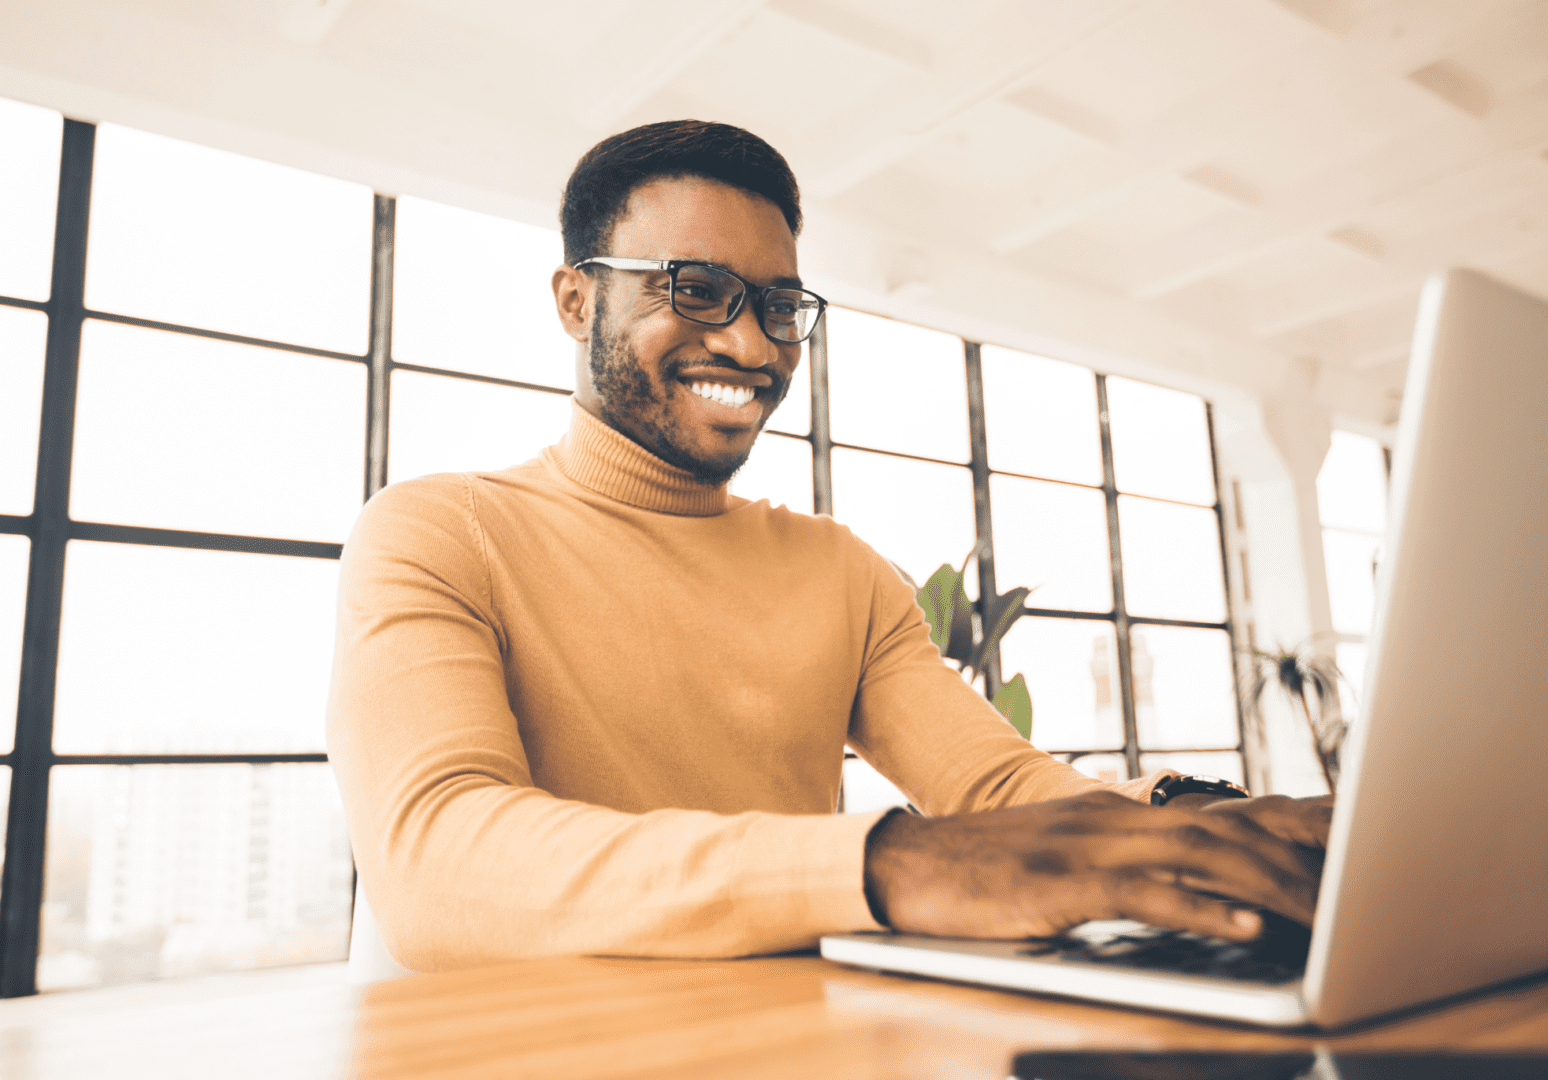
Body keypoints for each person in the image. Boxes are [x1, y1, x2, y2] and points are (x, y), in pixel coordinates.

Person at [326, 120, 1331, 972]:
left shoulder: (837, 572)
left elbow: (997, 790)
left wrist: (1201, 819)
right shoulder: (439, 531)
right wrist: (887, 865)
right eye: (696, 288)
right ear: (576, 300)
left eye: (777, 305)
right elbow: (435, 854)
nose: (756, 346)